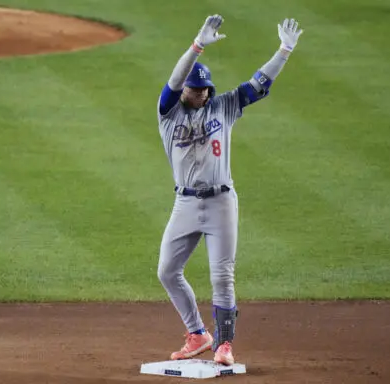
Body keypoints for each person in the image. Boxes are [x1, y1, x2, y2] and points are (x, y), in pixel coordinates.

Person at [156, 14, 303, 366]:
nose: (201, 93)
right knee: (167, 271)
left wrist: (284, 50)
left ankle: (224, 345)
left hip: (221, 201)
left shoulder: (224, 106)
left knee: (222, 275)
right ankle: (197, 334)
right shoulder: (168, 114)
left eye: (205, 88)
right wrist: (197, 45)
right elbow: (175, 80)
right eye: (195, 89)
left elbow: (259, 83)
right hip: (186, 203)